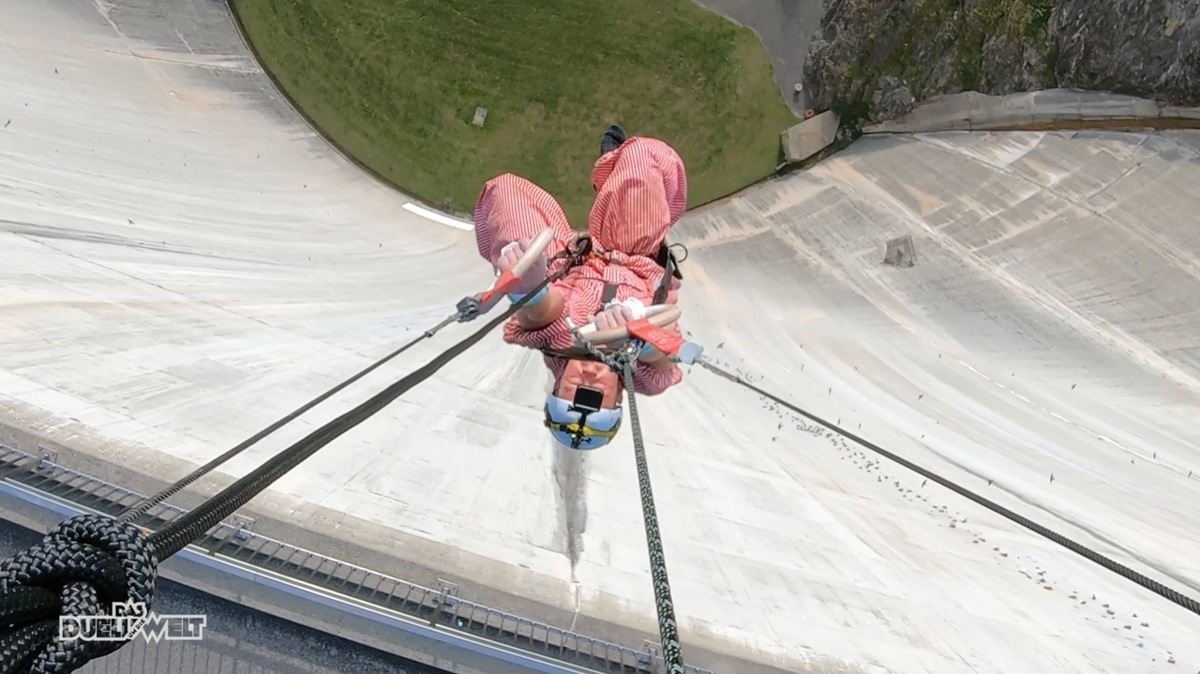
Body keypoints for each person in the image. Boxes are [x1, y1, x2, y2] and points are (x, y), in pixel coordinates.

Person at [472, 126, 688, 450]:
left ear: (557, 384)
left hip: (571, 262)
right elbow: (665, 358)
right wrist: (639, 339)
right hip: (634, 253)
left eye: (573, 391)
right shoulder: (641, 376)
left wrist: (528, 288)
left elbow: (543, 316)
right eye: (594, 396)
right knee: (648, 159)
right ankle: (613, 167)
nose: (587, 380)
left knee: (505, 193)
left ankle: (609, 170)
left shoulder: (559, 344)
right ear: (617, 397)